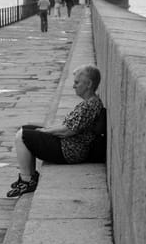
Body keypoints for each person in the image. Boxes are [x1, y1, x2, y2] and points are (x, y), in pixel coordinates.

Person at [6, 64, 104, 197]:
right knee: (26, 129)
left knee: (23, 135)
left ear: (89, 84)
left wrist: (45, 132)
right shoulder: (90, 102)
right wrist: (45, 130)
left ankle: (26, 180)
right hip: (70, 145)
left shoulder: (90, 105)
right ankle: (29, 178)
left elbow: (68, 131)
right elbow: (68, 127)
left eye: (77, 82)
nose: (74, 86)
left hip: (70, 150)